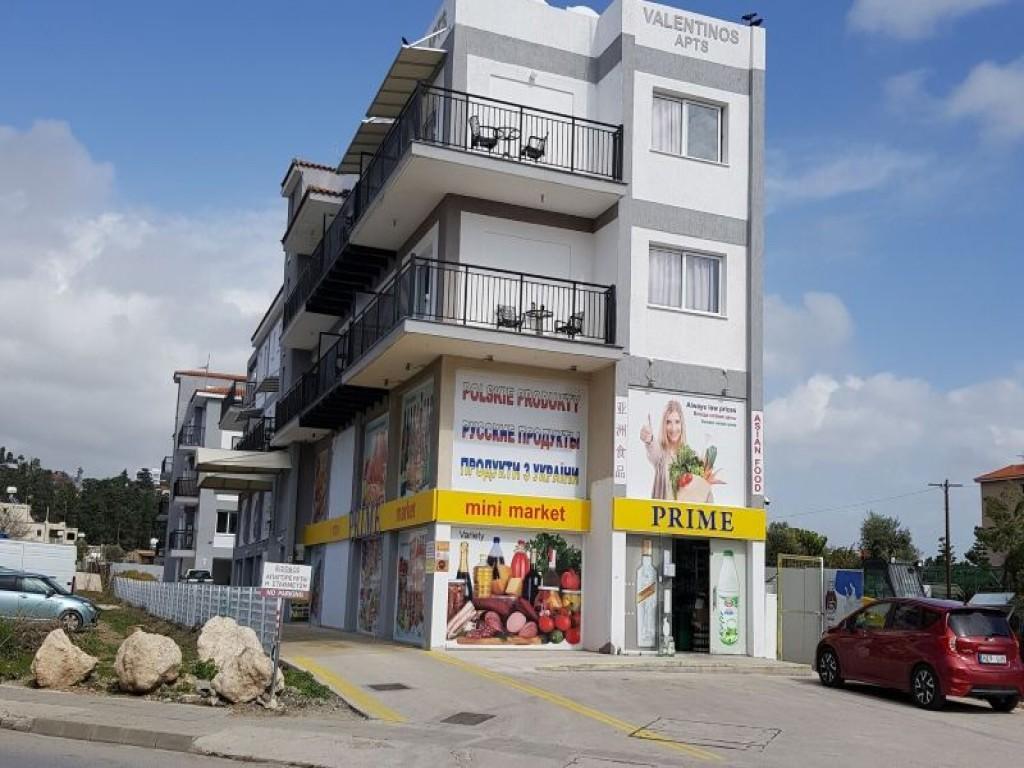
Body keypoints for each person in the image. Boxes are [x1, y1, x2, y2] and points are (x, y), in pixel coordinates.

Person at [639, 400, 686, 500]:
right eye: (668, 422)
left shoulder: (690, 457)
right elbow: (654, 453)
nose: (673, 428)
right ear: (664, 425)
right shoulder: (661, 455)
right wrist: (650, 440)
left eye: (677, 422)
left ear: (682, 424)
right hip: (661, 510)